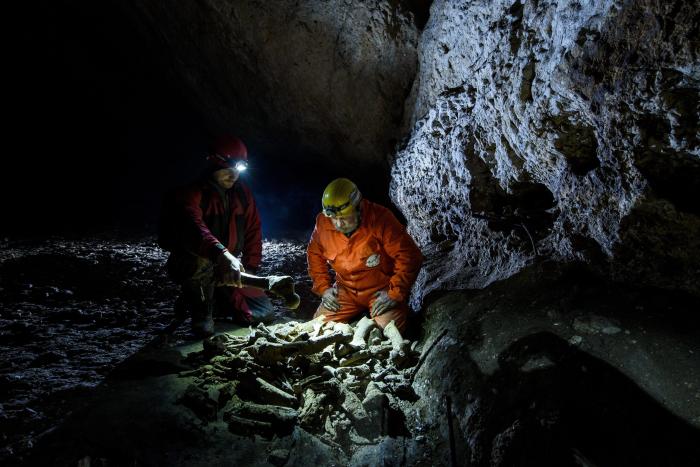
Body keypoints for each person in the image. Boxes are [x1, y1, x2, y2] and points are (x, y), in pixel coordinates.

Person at [161, 135, 273, 337]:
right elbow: (196, 231)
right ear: (213, 165)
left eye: (238, 170)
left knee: (263, 313)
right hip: (197, 264)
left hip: (225, 267)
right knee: (204, 328)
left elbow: (253, 232)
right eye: (227, 169)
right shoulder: (192, 194)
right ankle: (200, 304)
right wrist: (223, 255)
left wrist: (250, 270)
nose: (233, 176)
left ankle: (217, 297)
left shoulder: (242, 195)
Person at [307, 178, 423, 332]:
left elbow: (409, 256)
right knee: (317, 327)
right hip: (345, 290)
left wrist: (394, 294)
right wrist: (324, 289)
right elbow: (314, 255)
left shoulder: (381, 219)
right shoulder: (323, 222)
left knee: (390, 330)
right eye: (334, 219)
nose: (339, 224)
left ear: (358, 207)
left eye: (343, 218)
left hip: (380, 290)